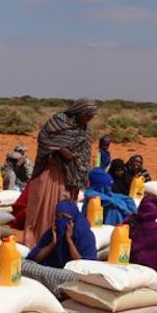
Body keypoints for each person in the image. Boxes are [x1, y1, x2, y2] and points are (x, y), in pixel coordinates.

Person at [24, 99, 97, 244]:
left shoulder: (85, 129)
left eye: (91, 116)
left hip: (72, 175)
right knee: (47, 206)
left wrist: (84, 173)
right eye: (87, 115)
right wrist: (62, 150)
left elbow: (85, 153)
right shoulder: (60, 121)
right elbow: (44, 138)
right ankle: (41, 240)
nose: (89, 119)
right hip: (53, 172)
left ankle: (61, 241)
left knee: (65, 206)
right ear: (79, 111)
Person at [22, 200, 96, 295]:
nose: (60, 220)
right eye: (57, 216)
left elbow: (84, 266)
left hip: (72, 275)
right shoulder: (53, 231)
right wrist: (53, 243)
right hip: (52, 270)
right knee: (23, 265)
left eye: (64, 217)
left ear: (73, 219)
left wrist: (69, 241)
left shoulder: (85, 235)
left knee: (70, 278)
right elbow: (35, 258)